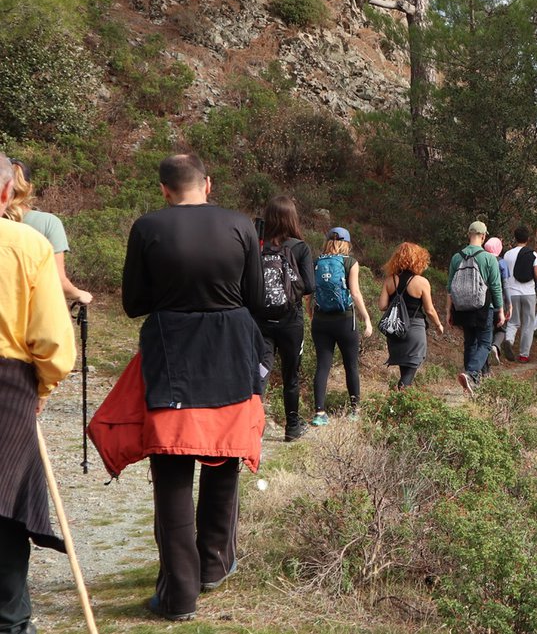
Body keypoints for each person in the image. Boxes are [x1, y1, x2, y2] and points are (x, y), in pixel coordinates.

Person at [121, 154, 266, 621]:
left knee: (172, 465)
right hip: (231, 347)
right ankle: (214, 566)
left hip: (172, 349)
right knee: (224, 456)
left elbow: (133, 302)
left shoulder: (148, 227)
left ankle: (179, 594)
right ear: (208, 183)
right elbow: (256, 298)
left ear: (164, 190)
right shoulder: (240, 225)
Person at [0, 154, 75, 634]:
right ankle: (11, 622)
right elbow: (51, 340)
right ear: (7, 191)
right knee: (5, 507)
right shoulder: (27, 244)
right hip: (8, 388)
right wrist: (43, 386)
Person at [256, 196, 315, 442]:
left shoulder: (258, 245)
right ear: (292, 218)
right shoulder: (300, 248)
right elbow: (309, 286)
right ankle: (292, 427)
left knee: (259, 372)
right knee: (291, 376)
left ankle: (251, 428)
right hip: (291, 323)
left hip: (260, 322)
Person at [4, 159, 93, 307]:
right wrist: (78, 293)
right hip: (30, 313)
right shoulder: (49, 223)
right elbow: (58, 280)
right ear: (29, 188)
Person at [310, 227, 372, 425]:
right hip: (345, 321)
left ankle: (319, 413)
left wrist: (312, 315)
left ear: (327, 241)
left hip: (321, 321)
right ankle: (354, 410)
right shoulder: (350, 262)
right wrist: (366, 318)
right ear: (347, 243)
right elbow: (355, 293)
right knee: (351, 365)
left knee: (322, 366)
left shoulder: (316, 262)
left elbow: (310, 293)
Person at [378, 242, 445, 389]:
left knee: (405, 367)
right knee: (412, 366)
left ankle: (402, 397)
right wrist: (439, 325)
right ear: (418, 260)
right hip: (414, 328)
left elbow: (382, 306)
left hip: (395, 330)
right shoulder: (421, 282)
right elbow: (429, 310)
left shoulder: (390, 280)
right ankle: (399, 395)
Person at [448, 222, 505, 392]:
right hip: (483, 307)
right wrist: (500, 310)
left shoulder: (456, 257)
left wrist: (448, 311)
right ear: (483, 236)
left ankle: (471, 383)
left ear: (468, 235)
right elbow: (495, 287)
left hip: (461, 307)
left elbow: (449, 287)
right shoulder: (489, 258)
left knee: (470, 343)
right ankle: (471, 374)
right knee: (485, 343)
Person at [501, 227, 537, 362]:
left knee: (513, 321)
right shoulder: (532, 253)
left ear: (515, 238)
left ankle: (509, 340)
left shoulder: (507, 254)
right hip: (528, 292)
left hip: (511, 293)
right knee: (528, 324)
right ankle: (524, 355)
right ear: (528, 239)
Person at [483, 237, 511, 372]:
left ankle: (485, 369)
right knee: (502, 329)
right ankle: (495, 346)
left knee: (486, 333)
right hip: (499, 302)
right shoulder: (502, 263)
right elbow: (506, 285)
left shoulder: (482, 260)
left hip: (484, 303)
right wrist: (509, 304)